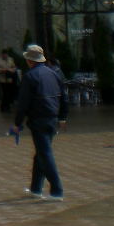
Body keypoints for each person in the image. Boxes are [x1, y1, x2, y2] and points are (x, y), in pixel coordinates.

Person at [13, 44, 68, 201]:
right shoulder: (54, 73)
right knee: (41, 154)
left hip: (38, 119)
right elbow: (63, 96)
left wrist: (18, 123)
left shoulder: (30, 76)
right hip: (52, 119)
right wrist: (63, 117)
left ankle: (57, 190)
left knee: (45, 154)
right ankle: (36, 189)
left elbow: (23, 103)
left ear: (30, 61)